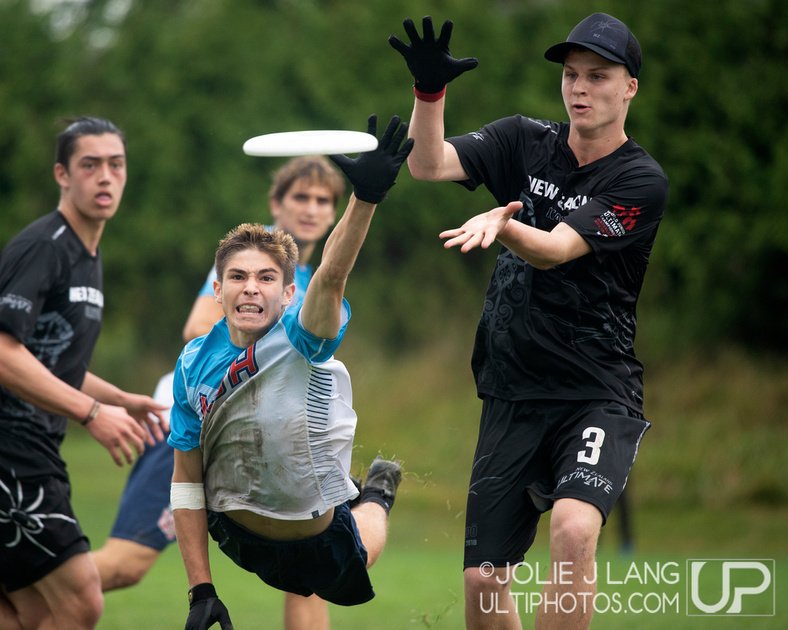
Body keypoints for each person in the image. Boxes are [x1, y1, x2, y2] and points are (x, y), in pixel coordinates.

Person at [390, 13, 668, 629]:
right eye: (571, 75)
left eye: (599, 76)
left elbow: (555, 248)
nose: (579, 87)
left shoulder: (640, 180)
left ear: (629, 89)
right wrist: (428, 95)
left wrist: (502, 223)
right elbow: (428, 165)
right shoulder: (523, 139)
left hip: (595, 391)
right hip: (512, 390)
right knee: (483, 585)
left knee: (573, 528)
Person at [169, 114, 412, 630]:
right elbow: (187, 484)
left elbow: (332, 274)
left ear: (288, 293)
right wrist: (200, 590)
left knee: (355, 551)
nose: (250, 287)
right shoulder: (192, 364)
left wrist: (364, 198)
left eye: (265, 278)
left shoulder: (303, 336)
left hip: (319, 537)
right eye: (236, 277)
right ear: (217, 290)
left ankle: (376, 496)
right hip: (237, 537)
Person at [92, 156, 350, 628]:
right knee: (126, 565)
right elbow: (197, 330)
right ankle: (38, 580)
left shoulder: (303, 285)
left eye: (323, 200)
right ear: (276, 203)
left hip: (257, 440)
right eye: (301, 197)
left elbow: (331, 283)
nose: (312, 209)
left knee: (308, 572)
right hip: (186, 427)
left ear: (334, 214)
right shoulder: (247, 266)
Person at [0, 116, 168, 629]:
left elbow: (51, 356)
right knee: (78, 602)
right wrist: (92, 413)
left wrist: (119, 398)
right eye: (89, 165)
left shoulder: (86, 254)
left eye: (115, 165)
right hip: (12, 448)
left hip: (31, 448)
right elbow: (4, 351)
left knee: (28, 611)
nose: (105, 176)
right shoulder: (45, 246)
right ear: (62, 175)